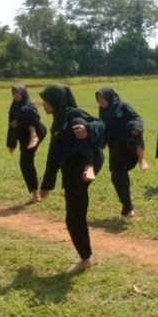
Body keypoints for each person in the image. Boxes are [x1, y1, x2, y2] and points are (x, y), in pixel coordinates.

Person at [39, 85, 105, 273]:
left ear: (55, 101)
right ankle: (86, 256)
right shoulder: (58, 122)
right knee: (74, 215)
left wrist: (87, 128)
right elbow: (53, 155)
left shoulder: (73, 115)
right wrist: (46, 184)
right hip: (72, 170)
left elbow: (100, 124)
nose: (43, 104)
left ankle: (86, 258)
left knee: (74, 217)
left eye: (46, 100)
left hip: (83, 168)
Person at [96, 87, 147, 218]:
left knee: (135, 131)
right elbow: (102, 127)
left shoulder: (123, 106)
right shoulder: (103, 111)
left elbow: (137, 118)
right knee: (117, 176)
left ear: (109, 97)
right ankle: (128, 207)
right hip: (115, 148)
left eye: (102, 98)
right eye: (99, 98)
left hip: (128, 145)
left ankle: (142, 159)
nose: (100, 101)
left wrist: (136, 127)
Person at [6, 85, 47, 202]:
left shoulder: (30, 105)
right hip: (24, 138)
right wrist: (11, 143)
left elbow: (34, 116)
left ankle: (35, 194)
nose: (16, 95)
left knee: (26, 162)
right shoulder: (13, 108)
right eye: (14, 93)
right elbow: (11, 125)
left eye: (18, 93)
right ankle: (35, 192)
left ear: (23, 93)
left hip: (37, 133)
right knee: (25, 163)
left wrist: (18, 121)